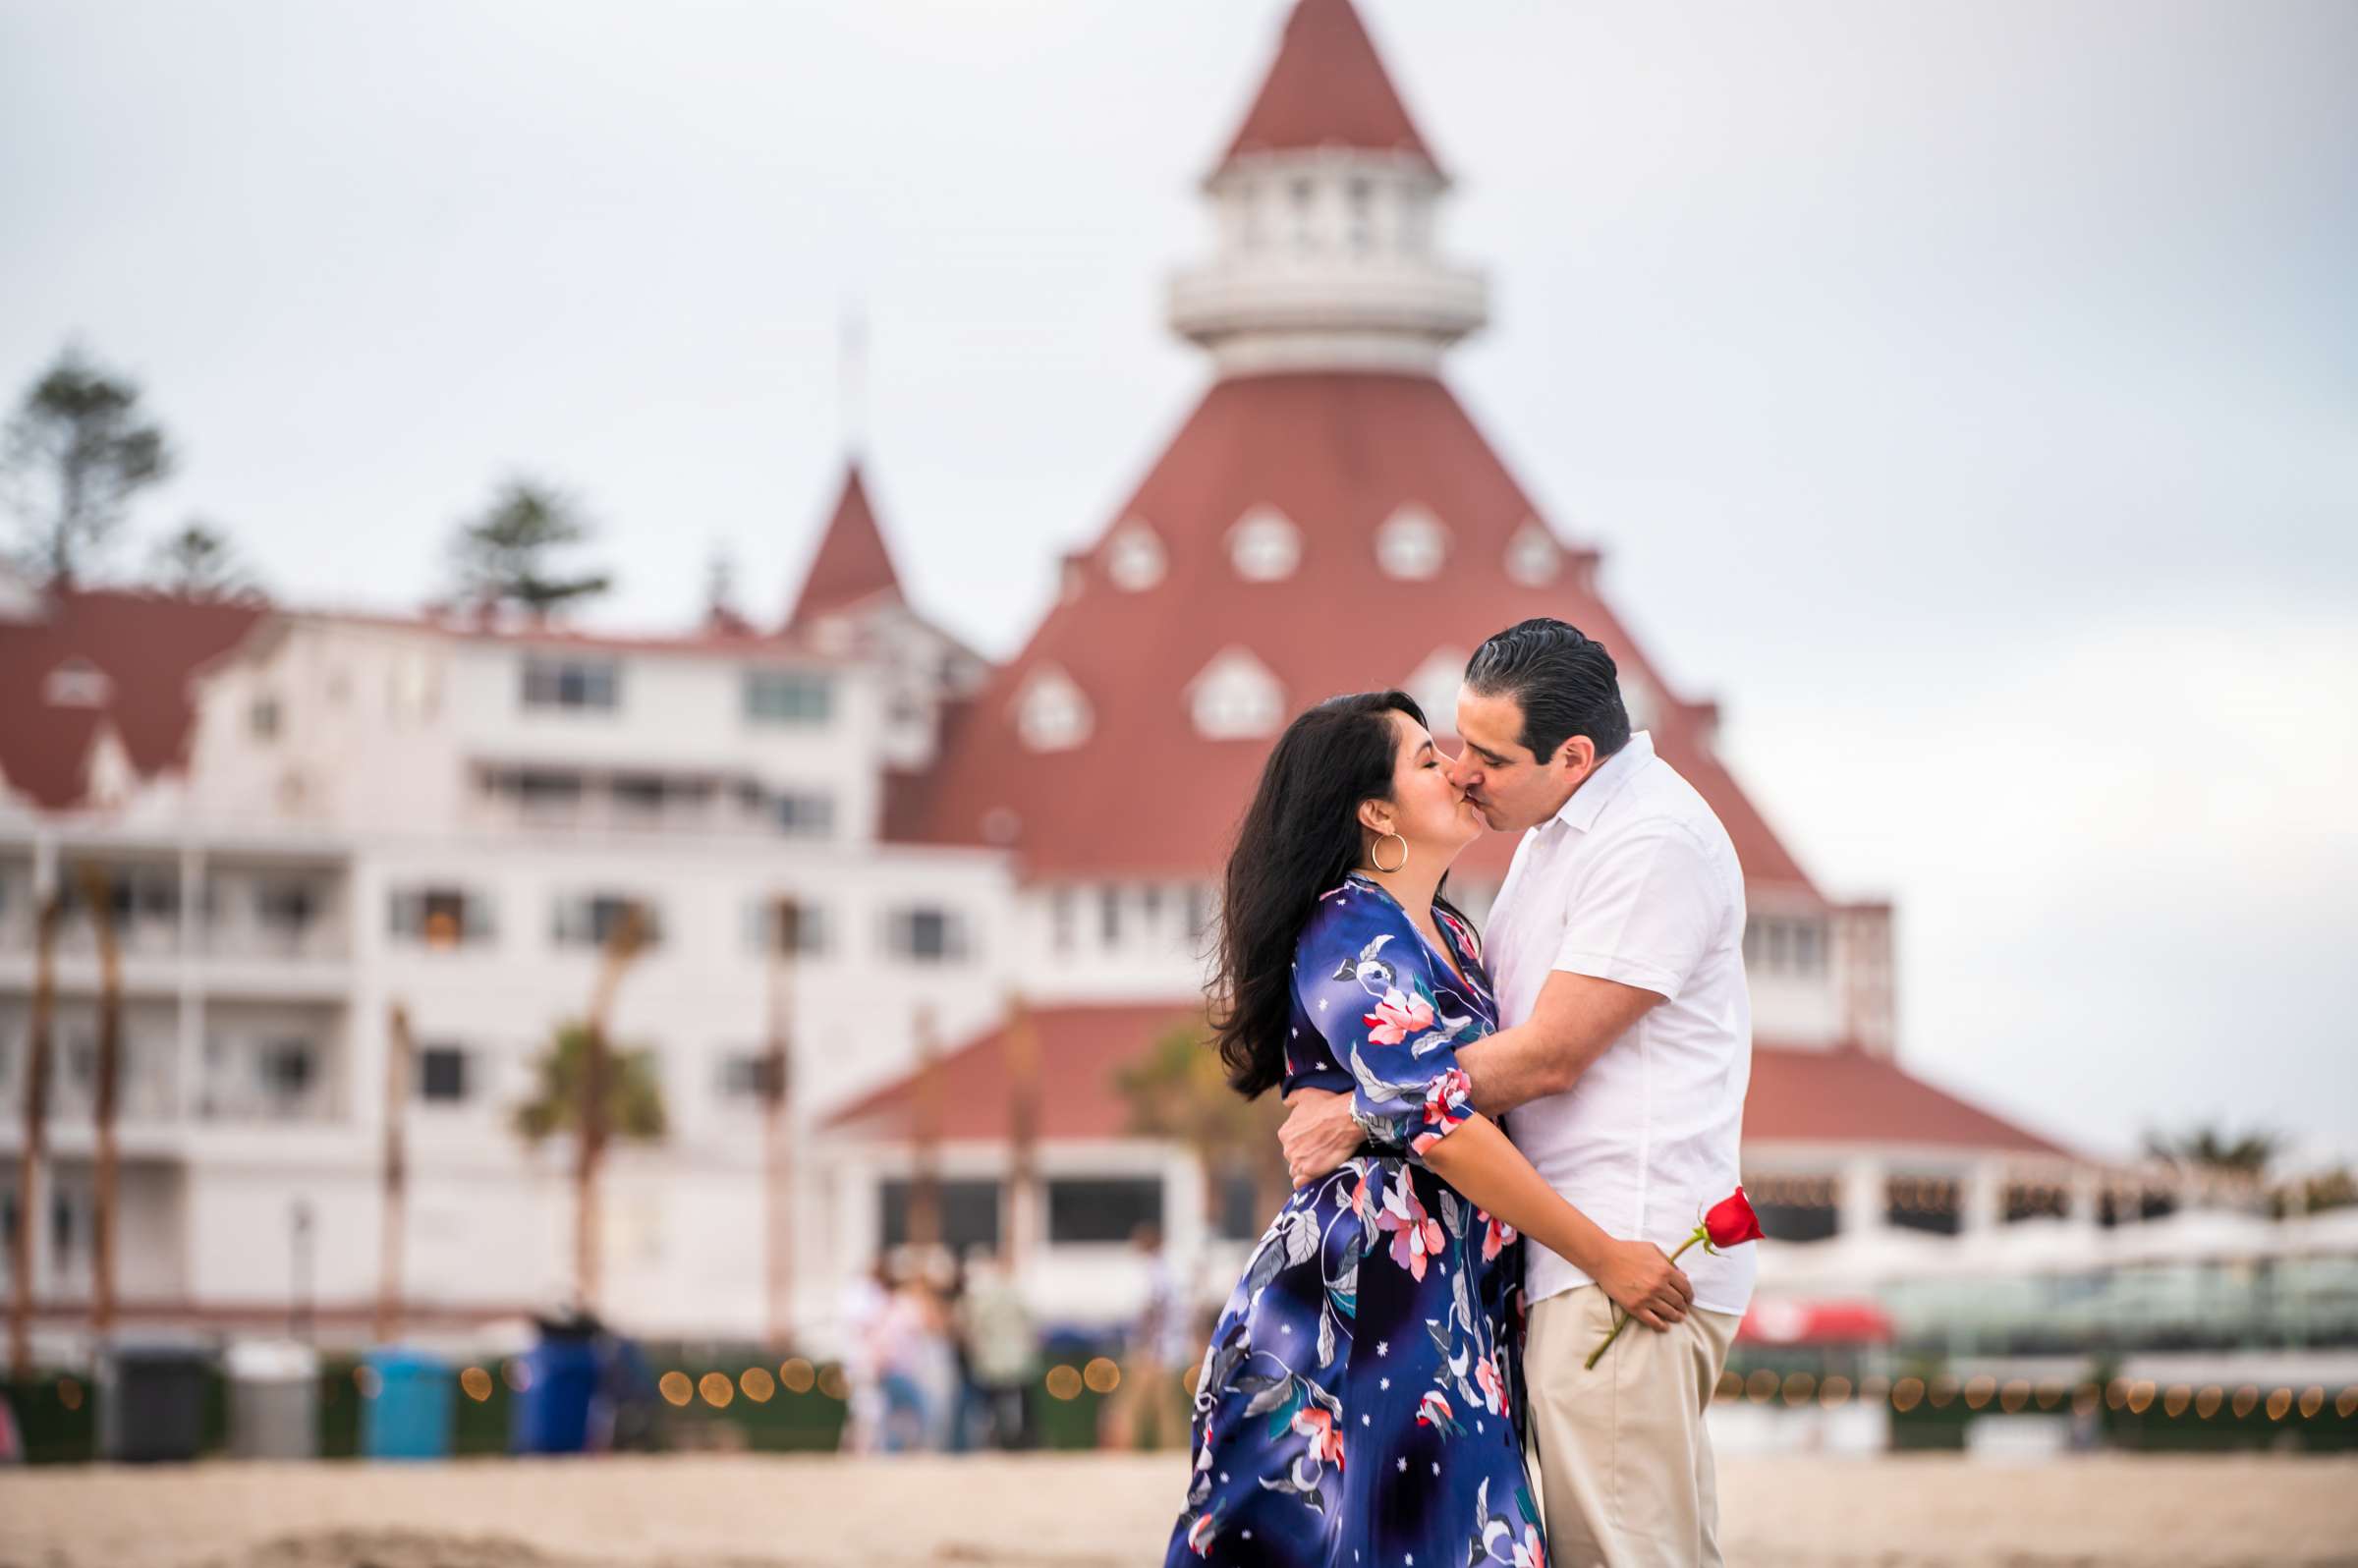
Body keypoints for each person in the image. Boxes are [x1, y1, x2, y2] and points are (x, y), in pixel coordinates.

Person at [1166, 690, 1692, 1567]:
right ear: (1377, 811)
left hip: (1456, 1299)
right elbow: (1443, 1123)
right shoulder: (1348, 927)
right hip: (1364, 1297)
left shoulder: (1451, 929)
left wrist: (1362, 1112)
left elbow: (1461, 1089)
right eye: (1425, 759)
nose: (1456, 768)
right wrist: (1605, 1256)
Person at [1279, 620, 1756, 1568]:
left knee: (1622, 1550)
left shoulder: (1649, 840)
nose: (1463, 771)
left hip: (1625, 1247)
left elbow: (1546, 1058)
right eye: (1451, 746)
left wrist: (1365, 1109)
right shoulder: (1553, 831)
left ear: (1573, 755)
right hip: (1569, 1259)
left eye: (1488, 756)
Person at [1101, 1222, 1193, 1451]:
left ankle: (1124, 1450)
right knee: (1167, 1409)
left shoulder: (1156, 1271)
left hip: (1153, 1350)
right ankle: (1172, 1451)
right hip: (1169, 1349)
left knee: (1130, 1406)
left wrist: (1145, 1344)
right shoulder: (1169, 1270)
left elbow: (1154, 1310)